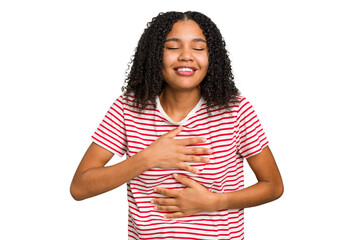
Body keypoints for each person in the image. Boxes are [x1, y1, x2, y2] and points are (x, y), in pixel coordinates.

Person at [70, 11, 283, 240]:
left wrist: (217, 202)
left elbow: (273, 185)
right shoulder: (128, 107)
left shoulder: (235, 109)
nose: (186, 56)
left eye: (198, 48)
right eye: (173, 47)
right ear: (155, 55)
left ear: (212, 58)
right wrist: (149, 158)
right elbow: (80, 187)